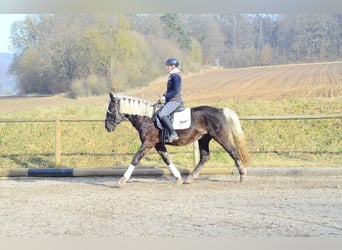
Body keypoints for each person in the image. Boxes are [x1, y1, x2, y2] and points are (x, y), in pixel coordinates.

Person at [157, 57, 183, 142]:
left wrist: (165, 97)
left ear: (173, 66)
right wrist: (164, 95)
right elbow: (170, 90)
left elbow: (175, 91)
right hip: (170, 99)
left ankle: (173, 133)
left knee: (162, 114)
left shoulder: (176, 77)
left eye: (168, 66)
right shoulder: (172, 75)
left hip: (175, 100)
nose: (166, 67)